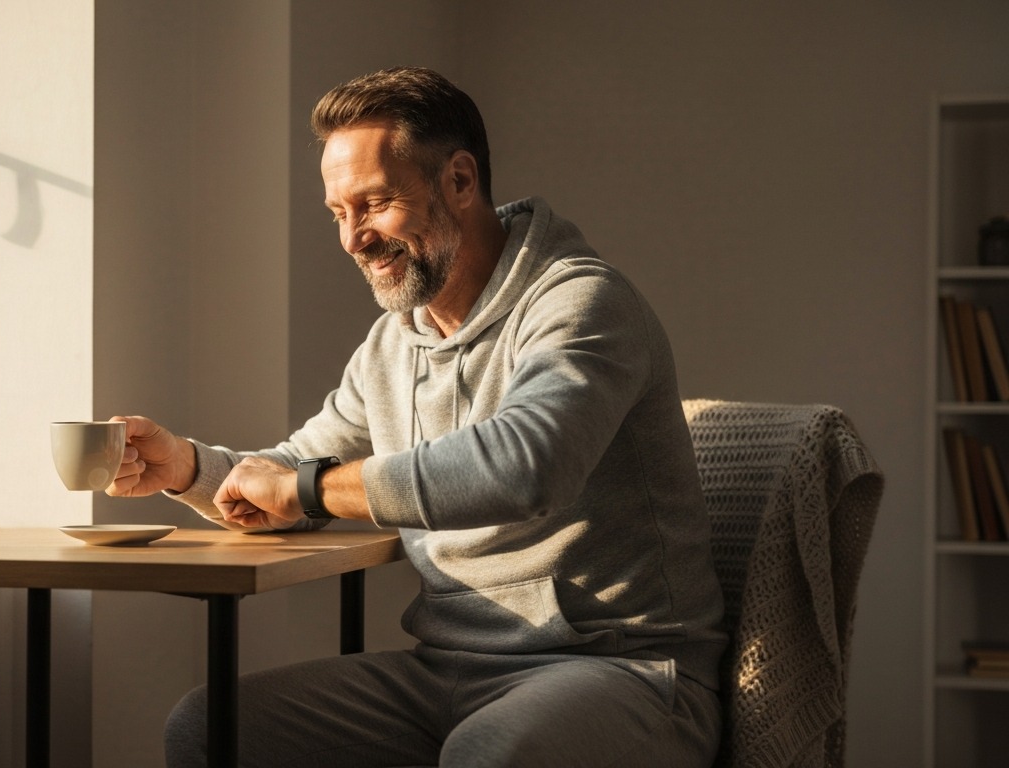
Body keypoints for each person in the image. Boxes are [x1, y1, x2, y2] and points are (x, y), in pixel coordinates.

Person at [108, 66, 727, 768]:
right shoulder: (392, 342)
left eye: (373, 204)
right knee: (210, 728)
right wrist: (186, 467)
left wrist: (307, 487)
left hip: (621, 672)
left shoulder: (583, 304)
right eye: (337, 213)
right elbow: (295, 470)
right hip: (446, 669)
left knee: (489, 754)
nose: (352, 240)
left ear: (460, 182)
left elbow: (525, 467)